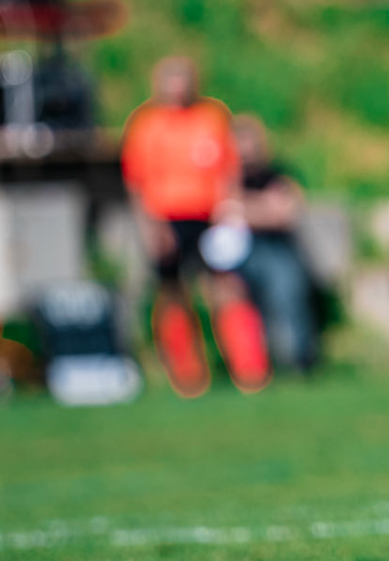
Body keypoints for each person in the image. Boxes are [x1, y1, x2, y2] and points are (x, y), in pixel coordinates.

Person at [120, 57, 269, 398]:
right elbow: (138, 182)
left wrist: (229, 211)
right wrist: (150, 226)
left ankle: (250, 371)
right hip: (168, 219)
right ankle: (187, 376)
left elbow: (228, 169)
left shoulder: (212, 116)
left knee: (227, 287)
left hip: (210, 216)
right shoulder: (146, 124)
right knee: (174, 294)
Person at [233, 115, 320, 374]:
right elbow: (222, 208)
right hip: (239, 253)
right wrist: (263, 207)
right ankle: (252, 369)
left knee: (287, 292)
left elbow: (288, 212)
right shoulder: (226, 177)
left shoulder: (278, 173)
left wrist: (245, 208)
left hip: (278, 249)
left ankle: (297, 362)